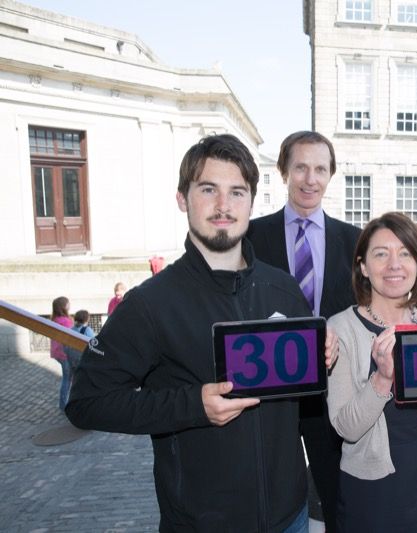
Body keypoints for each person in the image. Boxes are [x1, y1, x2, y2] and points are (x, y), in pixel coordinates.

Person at [66, 134, 337, 532]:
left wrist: (322, 354)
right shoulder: (149, 304)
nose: (224, 206)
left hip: (289, 517)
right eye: (209, 189)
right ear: (182, 198)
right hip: (201, 523)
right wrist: (193, 406)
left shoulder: (283, 288)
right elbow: (86, 402)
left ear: (251, 201)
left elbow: (304, 393)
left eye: (237, 192)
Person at [247, 130, 361, 531]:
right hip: (269, 393)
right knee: (270, 496)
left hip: (332, 391)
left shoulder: (354, 241)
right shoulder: (251, 237)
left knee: (336, 496)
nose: (310, 179)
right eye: (301, 167)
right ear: (283, 172)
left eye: (320, 169)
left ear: (330, 175)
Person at [327, 212, 417, 532]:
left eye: (405, 253)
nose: (394, 264)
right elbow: (346, 427)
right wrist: (383, 378)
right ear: (362, 266)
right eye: (380, 254)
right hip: (369, 490)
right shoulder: (340, 329)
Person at [49, 296, 73, 411]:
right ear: (64, 307)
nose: (69, 305)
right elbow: (71, 337)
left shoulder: (55, 319)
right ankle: (64, 405)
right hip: (64, 354)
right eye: (68, 303)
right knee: (67, 379)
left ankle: (64, 403)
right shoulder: (65, 321)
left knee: (67, 378)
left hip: (57, 352)